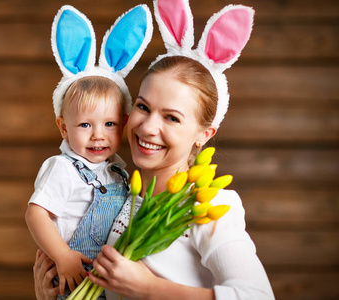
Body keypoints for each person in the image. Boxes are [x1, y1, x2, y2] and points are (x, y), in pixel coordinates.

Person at [33, 1, 275, 299]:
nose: (148, 127)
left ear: (203, 135)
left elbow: (258, 296)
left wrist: (150, 288)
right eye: (143, 107)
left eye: (171, 117)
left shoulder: (204, 208)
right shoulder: (122, 199)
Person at [26, 4, 153, 298]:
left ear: (123, 124)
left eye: (109, 124)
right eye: (85, 124)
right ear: (63, 128)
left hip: (104, 282)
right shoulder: (63, 167)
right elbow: (36, 215)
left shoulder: (117, 171)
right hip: (73, 275)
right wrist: (62, 256)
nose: (98, 135)